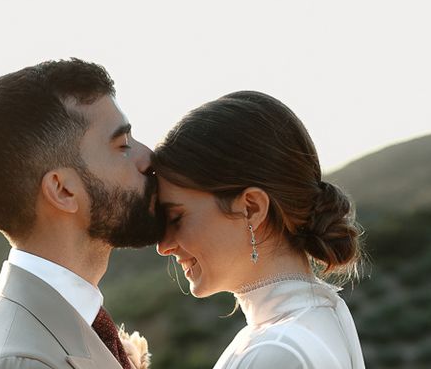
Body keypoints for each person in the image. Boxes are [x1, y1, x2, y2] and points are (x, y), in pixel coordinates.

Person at [0, 59, 163, 369]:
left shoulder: (73, 327)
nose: (148, 157)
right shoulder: (20, 361)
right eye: (122, 144)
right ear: (62, 190)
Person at [154, 91, 365, 369]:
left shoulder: (275, 352)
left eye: (176, 217)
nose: (164, 245)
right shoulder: (325, 312)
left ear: (251, 208)